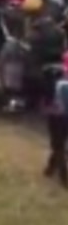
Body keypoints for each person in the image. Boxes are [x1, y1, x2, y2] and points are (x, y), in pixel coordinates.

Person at [43, 53, 68, 188]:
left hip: (58, 114)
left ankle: (64, 176)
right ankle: (50, 169)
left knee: (57, 144)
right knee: (59, 143)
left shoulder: (60, 82)